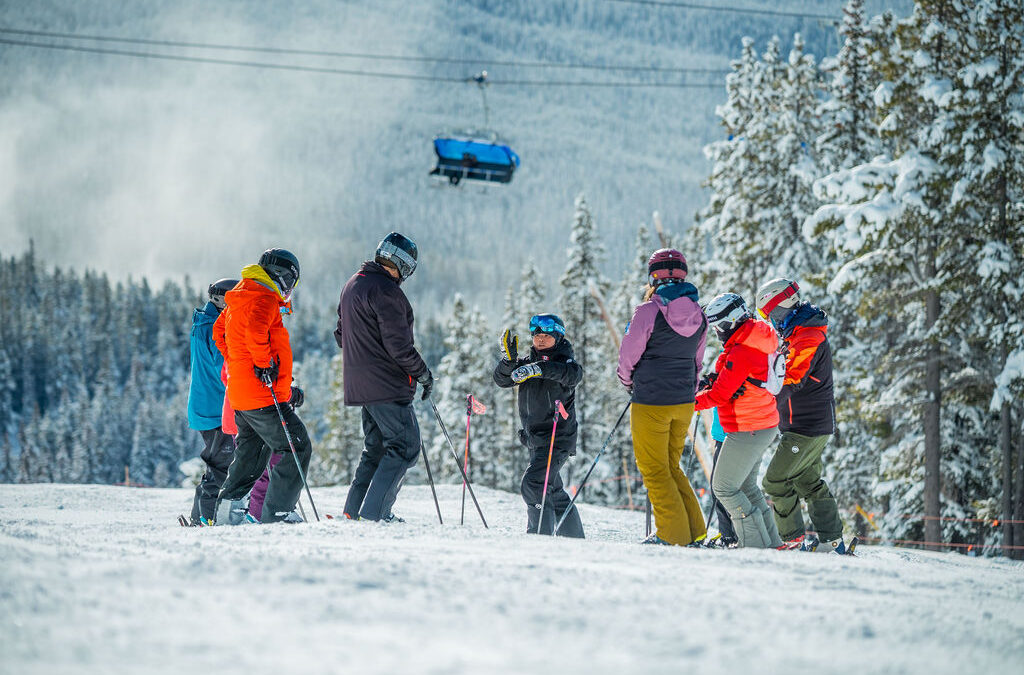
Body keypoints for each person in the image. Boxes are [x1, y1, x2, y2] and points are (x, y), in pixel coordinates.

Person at [335, 232, 432, 522]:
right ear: (402, 265)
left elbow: (341, 336)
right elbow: (399, 348)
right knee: (404, 447)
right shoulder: (387, 292)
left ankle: (355, 512)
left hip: (361, 385)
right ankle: (376, 514)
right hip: (387, 385)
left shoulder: (353, 285)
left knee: (376, 449)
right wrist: (423, 374)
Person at [213, 248, 312, 525]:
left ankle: (227, 514)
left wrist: (237, 359)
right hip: (262, 394)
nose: (289, 289)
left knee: (251, 455)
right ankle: (278, 513)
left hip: (242, 395)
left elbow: (219, 331)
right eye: (291, 282)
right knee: (296, 446)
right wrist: (262, 363)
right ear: (281, 276)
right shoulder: (264, 299)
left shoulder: (241, 297)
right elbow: (257, 330)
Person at [616, 249, 707, 546]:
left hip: (651, 400)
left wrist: (626, 380)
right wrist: (689, 392)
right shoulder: (699, 315)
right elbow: (697, 361)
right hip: (683, 402)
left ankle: (673, 537)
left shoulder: (648, 312)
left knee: (655, 471)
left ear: (652, 277)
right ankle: (694, 530)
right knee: (670, 467)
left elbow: (629, 354)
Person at [755, 278, 846, 552]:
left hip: (806, 426)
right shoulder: (797, 333)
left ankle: (791, 539)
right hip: (806, 424)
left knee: (775, 479)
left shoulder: (807, 336)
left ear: (780, 307)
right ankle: (832, 540)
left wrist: (761, 404)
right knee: (807, 480)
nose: (770, 321)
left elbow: (791, 379)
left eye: (769, 314)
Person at [695, 292, 784, 549]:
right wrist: (711, 380)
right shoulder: (753, 338)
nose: (717, 332)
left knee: (723, 487)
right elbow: (732, 378)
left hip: (749, 427)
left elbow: (721, 395)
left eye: (719, 326)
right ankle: (771, 543)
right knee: (746, 486)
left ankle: (754, 545)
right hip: (760, 424)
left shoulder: (743, 349)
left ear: (732, 321)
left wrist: (688, 403)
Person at [494, 313, 585, 537]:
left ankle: (539, 537)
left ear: (558, 337)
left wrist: (538, 370)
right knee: (552, 490)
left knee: (534, 484)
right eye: (537, 335)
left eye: (546, 335)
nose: (540, 340)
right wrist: (509, 362)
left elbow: (572, 376)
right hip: (535, 439)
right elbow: (503, 381)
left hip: (557, 438)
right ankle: (574, 539)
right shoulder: (526, 363)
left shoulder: (566, 363)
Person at [184, 278, 238, 526]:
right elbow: (224, 367)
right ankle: (205, 517)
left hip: (205, 407)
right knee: (221, 465)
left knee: (218, 462)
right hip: (215, 409)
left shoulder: (203, 321)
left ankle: (202, 515)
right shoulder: (217, 326)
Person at [706, 407, 738, 547]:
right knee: (717, 488)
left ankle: (732, 535)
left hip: (731, 436)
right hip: (722, 435)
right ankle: (728, 535)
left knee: (721, 488)